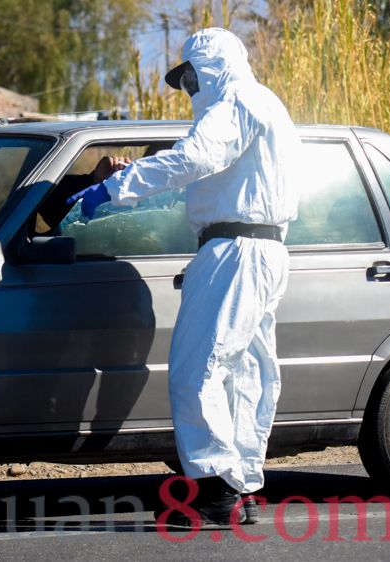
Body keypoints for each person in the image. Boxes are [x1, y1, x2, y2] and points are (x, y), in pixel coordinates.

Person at [67, 27, 302, 527]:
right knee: (244, 374)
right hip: (265, 249)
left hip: (235, 251)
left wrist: (113, 188)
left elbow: (194, 159)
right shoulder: (266, 105)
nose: (189, 88)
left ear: (213, 66)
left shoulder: (233, 104)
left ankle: (214, 492)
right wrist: (144, 184)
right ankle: (242, 488)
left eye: (192, 76)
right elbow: (210, 177)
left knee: (199, 371)